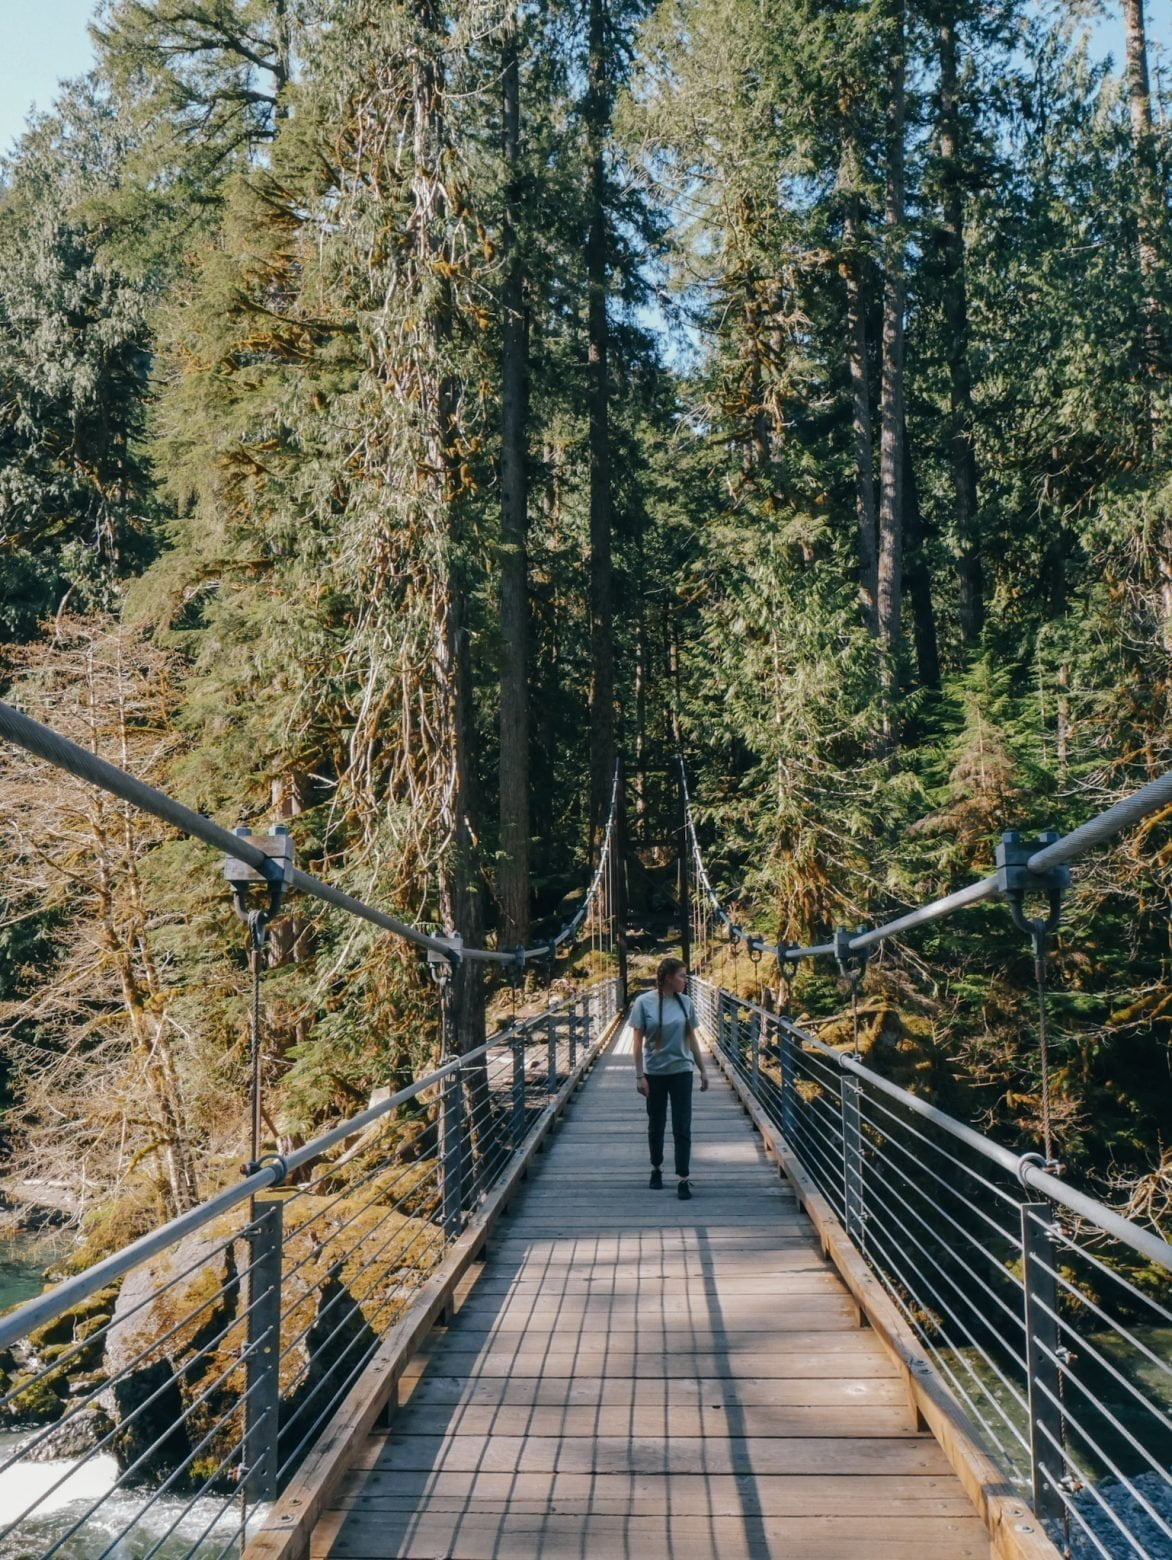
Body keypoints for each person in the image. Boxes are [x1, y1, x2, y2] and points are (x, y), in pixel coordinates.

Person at [631, 958, 708, 1199]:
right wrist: (639, 1075)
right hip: (655, 1073)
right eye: (682, 976)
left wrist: (703, 1070)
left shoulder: (686, 1003)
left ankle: (683, 1178)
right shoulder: (644, 1003)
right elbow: (636, 1043)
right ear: (667, 978)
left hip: (682, 1071)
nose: (686, 980)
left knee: (682, 1125)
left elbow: (692, 1039)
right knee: (656, 1124)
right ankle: (656, 1168)